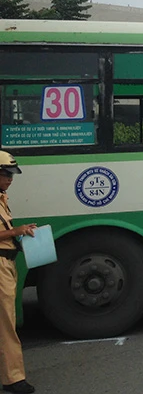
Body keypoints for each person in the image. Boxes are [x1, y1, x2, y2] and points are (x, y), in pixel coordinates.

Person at [0, 151, 36, 394]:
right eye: (6, 175)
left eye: (11, 175)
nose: (10, 179)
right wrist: (15, 232)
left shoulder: (2, 197)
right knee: (6, 324)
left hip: (7, 263)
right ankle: (13, 379)